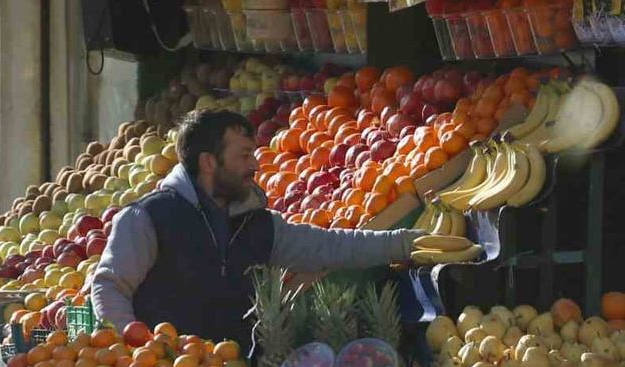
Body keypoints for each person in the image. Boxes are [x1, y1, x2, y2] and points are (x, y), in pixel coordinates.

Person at [91, 109, 421, 352]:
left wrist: (406, 244)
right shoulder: (148, 217)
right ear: (209, 162)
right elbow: (109, 285)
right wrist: (133, 343)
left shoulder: (256, 223)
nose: (256, 165)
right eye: (244, 155)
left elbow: (329, 245)